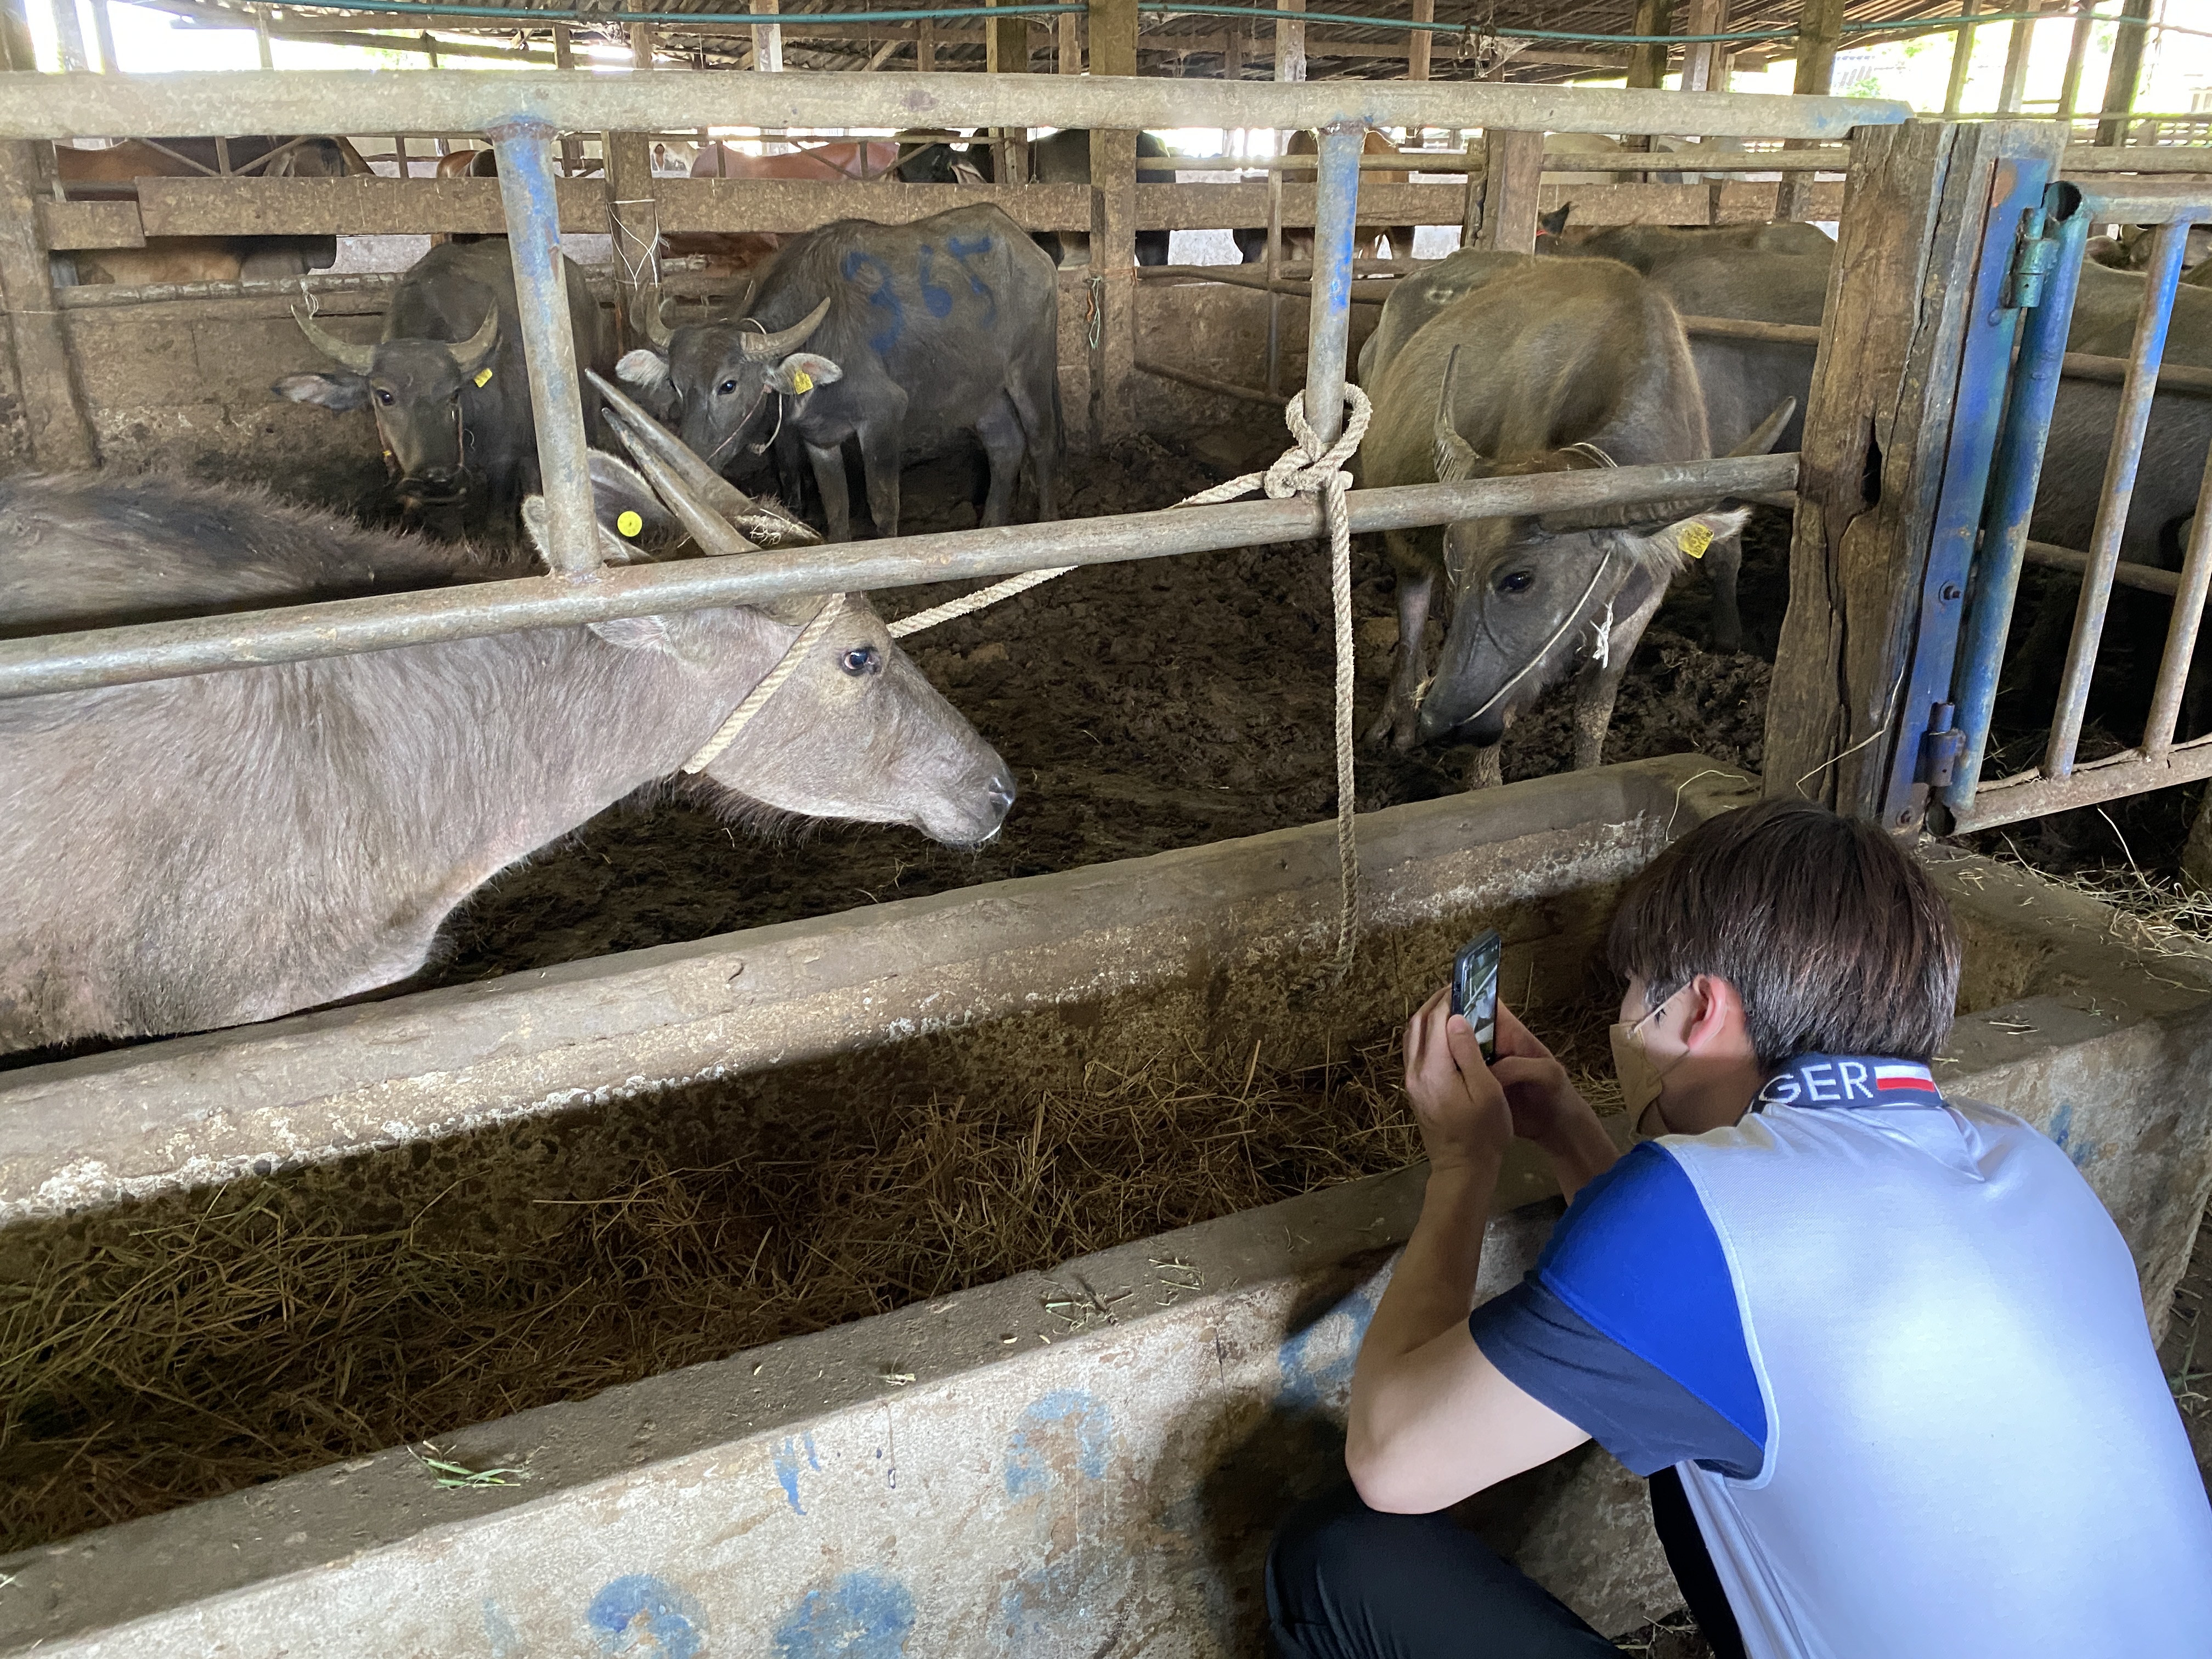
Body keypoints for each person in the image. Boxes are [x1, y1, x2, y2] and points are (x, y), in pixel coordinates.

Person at [1266, 799, 2212, 1659]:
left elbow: (1392, 1459)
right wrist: (1568, 1130)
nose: (1624, 1021)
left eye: (1636, 989)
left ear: (1703, 1008)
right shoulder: (2027, 1157)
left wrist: (1463, 1164)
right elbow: (1710, 1299)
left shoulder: (1697, 1214)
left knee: (1342, 1560)